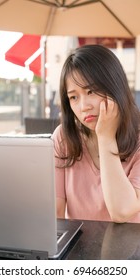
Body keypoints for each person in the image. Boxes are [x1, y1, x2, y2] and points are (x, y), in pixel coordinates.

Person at [52, 44, 140, 223]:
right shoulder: (64, 137)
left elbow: (121, 211)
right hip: (78, 247)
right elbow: (55, 212)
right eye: (73, 97)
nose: (84, 106)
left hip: (132, 249)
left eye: (91, 91)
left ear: (115, 87)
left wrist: (106, 137)